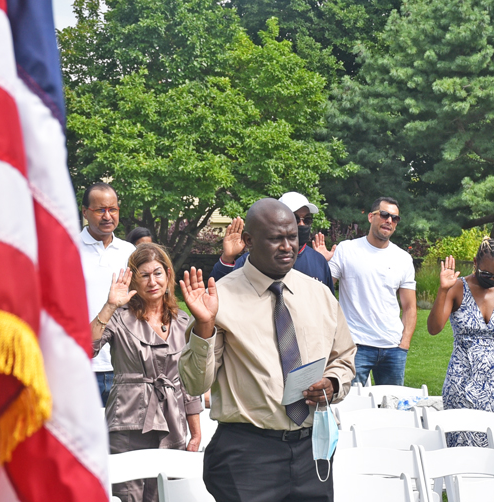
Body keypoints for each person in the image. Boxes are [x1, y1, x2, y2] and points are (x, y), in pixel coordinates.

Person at [178, 198, 356, 502]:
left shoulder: (320, 295)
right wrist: (205, 326)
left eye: (292, 237)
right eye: (275, 238)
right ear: (249, 241)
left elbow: (344, 357)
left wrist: (333, 383)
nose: (287, 247)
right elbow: (195, 384)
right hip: (247, 454)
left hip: (312, 451)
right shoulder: (220, 299)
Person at [91, 243, 202, 502]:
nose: (152, 282)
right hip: (128, 421)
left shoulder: (183, 320)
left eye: (157, 273)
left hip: (173, 422)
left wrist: (195, 431)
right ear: (134, 280)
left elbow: (189, 381)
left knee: (167, 494)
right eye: (144, 275)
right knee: (128, 495)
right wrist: (109, 306)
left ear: (168, 275)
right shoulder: (119, 317)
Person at [427, 238, 494, 446]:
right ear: (475, 263)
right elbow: (434, 328)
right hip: (462, 379)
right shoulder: (457, 288)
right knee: (460, 443)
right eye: (487, 274)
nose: (492, 280)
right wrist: (443, 290)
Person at [314, 196, 417, 386]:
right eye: (384, 215)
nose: (389, 221)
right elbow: (321, 290)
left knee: (391, 402)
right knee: (351, 401)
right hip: (355, 345)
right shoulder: (347, 250)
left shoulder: (403, 258)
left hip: (393, 348)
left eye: (395, 218)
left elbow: (410, 307)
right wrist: (320, 262)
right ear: (371, 217)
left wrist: (404, 344)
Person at [210, 192, 334, 295]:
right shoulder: (252, 261)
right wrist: (227, 259)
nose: (302, 224)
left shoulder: (319, 260)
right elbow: (219, 293)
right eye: (295, 219)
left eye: (307, 219)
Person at [80, 182, 136, 406]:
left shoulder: (129, 252)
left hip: (122, 366)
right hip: (81, 365)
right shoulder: (67, 249)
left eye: (112, 209)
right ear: (85, 212)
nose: (107, 216)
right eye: (99, 210)